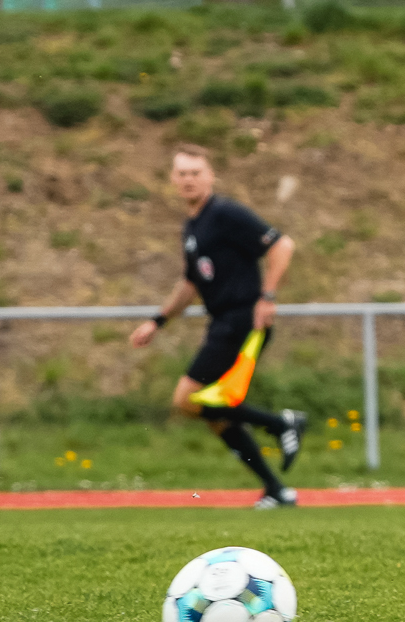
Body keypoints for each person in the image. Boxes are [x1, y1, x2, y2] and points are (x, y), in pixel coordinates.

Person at [129, 146, 306, 508]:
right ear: (172, 179)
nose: (188, 180)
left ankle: (281, 424)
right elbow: (190, 284)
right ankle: (276, 489)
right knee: (214, 414)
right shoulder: (192, 226)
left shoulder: (225, 213)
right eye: (182, 173)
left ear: (211, 176)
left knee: (187, 399)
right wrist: (158, 321)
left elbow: (282, 246)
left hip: (243, 319)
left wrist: (267, 297)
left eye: (196, 172)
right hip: (222, 322)